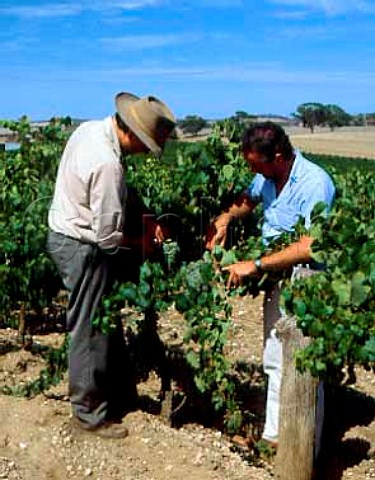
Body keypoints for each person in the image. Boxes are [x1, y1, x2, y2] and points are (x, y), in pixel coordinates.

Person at [47, 92, 176, 438]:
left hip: (65, 234)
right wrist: (143, 241)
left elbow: (119, 197)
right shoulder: (107, 164)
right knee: (89, 331)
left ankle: (116, 394)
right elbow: (107, 238)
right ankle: (88, 416)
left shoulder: (90, 129)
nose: (145, 152)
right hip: (82, 247)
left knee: (103, 324)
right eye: (146, 145)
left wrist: (144, 218)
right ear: (131, 133)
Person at [206, 121, 335, 447]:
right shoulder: (267, 175)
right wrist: (227, 217)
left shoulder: (314, 183)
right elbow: (247, 201)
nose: (254, 171)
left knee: (304, 365)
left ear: (277, 156)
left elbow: (309, 245)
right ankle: (274, 437)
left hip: (307, 282)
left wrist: (256, 265)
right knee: (275, 356)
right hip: (277, 279)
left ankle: (305, 446)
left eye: (256, 165)